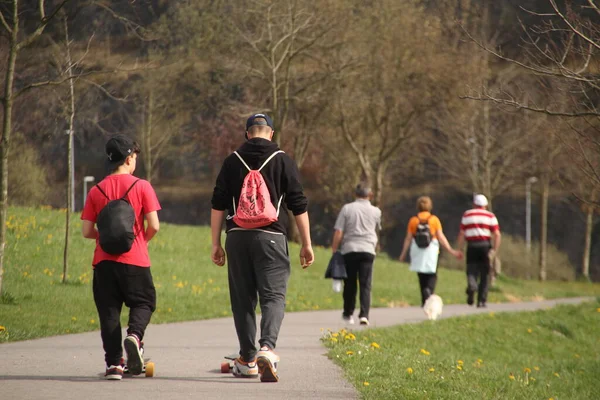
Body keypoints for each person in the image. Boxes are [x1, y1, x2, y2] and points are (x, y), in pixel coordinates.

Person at [210, 113, 314, 383]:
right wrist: (306, 244)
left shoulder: (232, 160)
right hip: (271, 236)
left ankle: (247, 359)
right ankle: (267, 347)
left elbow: (218, 203)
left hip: (237, 237)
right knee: (273, 297)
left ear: (248, 134)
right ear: (271, 132)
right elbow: (298, 204)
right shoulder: (283, 160)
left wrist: (216, 244)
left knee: (242, 300)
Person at [81, 134, 161, 380]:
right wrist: (141, 241)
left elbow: (86, 231)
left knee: (109, 312)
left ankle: (114, 364)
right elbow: (154, 226)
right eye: (134, 156)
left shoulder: (96, 190)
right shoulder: (142, 186)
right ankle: (135, 336)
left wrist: (103, 238)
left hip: (104, 263)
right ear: (129, 159)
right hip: (135, 260)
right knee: (144, 302)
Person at [331, 184, 382, 326]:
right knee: (366, 284)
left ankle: (348, 313)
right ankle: (364, 315)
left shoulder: (347, 209)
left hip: (350, 249)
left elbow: (339, 231)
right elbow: (376, 229)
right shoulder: (376, 211)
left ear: (355, 194)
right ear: (370, 194)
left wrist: (334, 249)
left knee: (350, 283)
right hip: (368, 250)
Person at [398, 196, 462, 307]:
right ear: (430, 206)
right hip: (431, 250)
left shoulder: (413, 220)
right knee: (432, 274)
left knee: (421, 275)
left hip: (417, 250)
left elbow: (408, 238)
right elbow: (441, 237)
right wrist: (451, 250)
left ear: (418, 206)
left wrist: (403, 254)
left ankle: (424, 299)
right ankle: (429, 292)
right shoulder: (434, 220)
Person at [456, 194, 501, 308]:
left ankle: (472, 285)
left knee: (471, 269)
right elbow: (497, 234)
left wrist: (460, 249)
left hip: (471, 246)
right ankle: (482, 300)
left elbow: (461, 233)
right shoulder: (490, 216)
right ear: (485, 205)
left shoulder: (467, 215)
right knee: (485, 274)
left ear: (474, 204)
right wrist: (494, 250)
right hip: (485, 246)